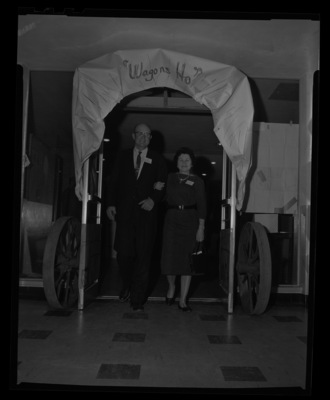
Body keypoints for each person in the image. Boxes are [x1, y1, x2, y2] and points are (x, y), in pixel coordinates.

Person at [106, 123, 167, 311]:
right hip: (124, 214)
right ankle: (127, 284)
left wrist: (153, 200)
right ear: (133, 136)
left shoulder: (157, 159)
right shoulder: (122, 156)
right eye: (140, 134)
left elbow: (161, 183)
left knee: (143, 257)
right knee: (124, 255)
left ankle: (137, 299)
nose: (143, 137)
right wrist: (110, 203)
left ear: (150, 139)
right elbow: (113, 181)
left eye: (147, 135)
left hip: (147, 216)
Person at [160, 147, 207, 312]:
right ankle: (171, 287)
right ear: (177, 162)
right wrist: (156, 187)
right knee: (170, 258)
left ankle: (183, 300)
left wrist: (201, 228)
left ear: (192, 163)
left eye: (187, 160)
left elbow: (202, 205)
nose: (184, 163)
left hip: (190, 220)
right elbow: (161, 196)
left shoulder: (198, 181)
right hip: (172, 219)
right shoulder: (170, 178)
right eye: (181, 160)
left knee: (188, 261)